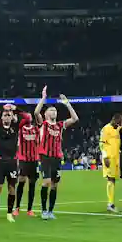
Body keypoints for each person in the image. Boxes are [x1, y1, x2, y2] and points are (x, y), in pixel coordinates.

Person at [34, 86, 79, 220]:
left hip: (57, 158)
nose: (54, 112)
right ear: (46, 114)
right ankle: (43, 210)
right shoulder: (43, 124)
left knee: (54, 184)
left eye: (55, 110)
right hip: (45, 156)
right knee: (46, 181)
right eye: (51, 110)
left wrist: (67, 103)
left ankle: (50, 211)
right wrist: (43, 98)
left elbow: (75, 118)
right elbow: (36, 112)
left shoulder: (60, 125)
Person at [0, 104, 29, 222]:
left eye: (9, 115)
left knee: (11, 188)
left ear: (12, 117)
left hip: (12, 162)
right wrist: (2, 109)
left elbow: (28, 118)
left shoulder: (16, 126)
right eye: (5, 115)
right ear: (2, 118)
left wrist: (16, 109)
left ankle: (9, 213)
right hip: (0, 162)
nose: (7, 116)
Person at [13, 104, 40, 217]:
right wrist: (17, 110)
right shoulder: (20, 129)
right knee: (21, 183)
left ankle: (30, 209)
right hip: (24, 160)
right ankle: (17, 208)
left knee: (32, 184)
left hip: (34, 160)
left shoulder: (36, 129)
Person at [99, 112, 122, 212]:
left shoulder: (118, 130)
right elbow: (101, 143)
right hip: (109, 158)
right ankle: (110, 203)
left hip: (117, 158)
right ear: (114, 120)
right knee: (110, 179)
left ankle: (112, 203)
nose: (119, 124)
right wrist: (105, 157)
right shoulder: (106, 129)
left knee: (113, 179)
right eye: (118, 122)